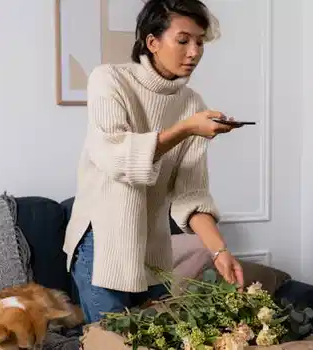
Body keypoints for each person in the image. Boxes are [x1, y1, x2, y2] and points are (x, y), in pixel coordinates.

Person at [62, 0, 246, 324]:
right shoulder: (109, 80)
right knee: (113, 345)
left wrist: (220, 251)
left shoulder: (192, 104)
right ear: (152, 42)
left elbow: (191, 194)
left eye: (200, 42)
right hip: (102, 245)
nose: (194, 52)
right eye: (183, 40)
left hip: (154, 250)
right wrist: (186, 128)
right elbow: (115, 156)